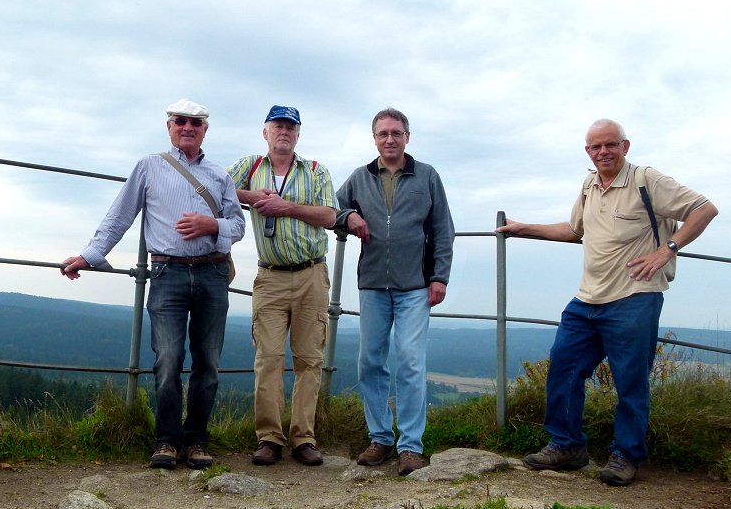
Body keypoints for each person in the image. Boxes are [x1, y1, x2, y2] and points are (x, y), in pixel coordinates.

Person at [498, 119, 718, 486]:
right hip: (587, 299)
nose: (603, 152)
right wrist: (524, 229)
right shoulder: (589, 185)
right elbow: (574, 231)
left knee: (630, 381)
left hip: (635, 297)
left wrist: (668, 249)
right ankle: (567, 446)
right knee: (564, 368)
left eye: (610, 145)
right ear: (587, 151)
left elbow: (705, 209)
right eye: (595, 147)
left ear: (625, 146)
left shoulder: (647, 180)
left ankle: (626, 455)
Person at [60, 99, 245, 471]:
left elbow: (237, 225)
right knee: (168, 359)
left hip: (212, 274)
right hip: (168, 273)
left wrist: (213, 226)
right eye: (181, 121)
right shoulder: (149, 166)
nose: (188, 127)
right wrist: (89, 254)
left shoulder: (220, 176)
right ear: (169, 126)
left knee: (208, 362)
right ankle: (166, 440)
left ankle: (196, 440)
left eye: (196, 122)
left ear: (205, 129)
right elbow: (120, 214)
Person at [335, 108, 454, 476]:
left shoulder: (427, 176)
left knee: (410, 361)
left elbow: (443, 229)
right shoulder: (359, 177)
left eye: (396, 133)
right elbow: (332, 206)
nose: (390, 139)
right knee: (369, 361)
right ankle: (380, 438)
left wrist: (440, 277)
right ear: (374, 138)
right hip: (372, 284)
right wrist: (348, 217)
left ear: (407, 137)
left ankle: (411, 446)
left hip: (416, 285)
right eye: (383, 133)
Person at [228, 106, 337, 467]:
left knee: (309, 360)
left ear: (298, 134)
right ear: (265, 132)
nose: (284, 132)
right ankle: (269, 438)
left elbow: (330, 216)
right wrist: (255, 198)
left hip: (311, 274)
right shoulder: (251, 166)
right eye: (278, 126)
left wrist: (286, 207)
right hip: (270, 275)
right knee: (269, 358)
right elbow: (218, 187)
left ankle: (304, 438)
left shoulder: (317, 171)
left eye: (291, 127)